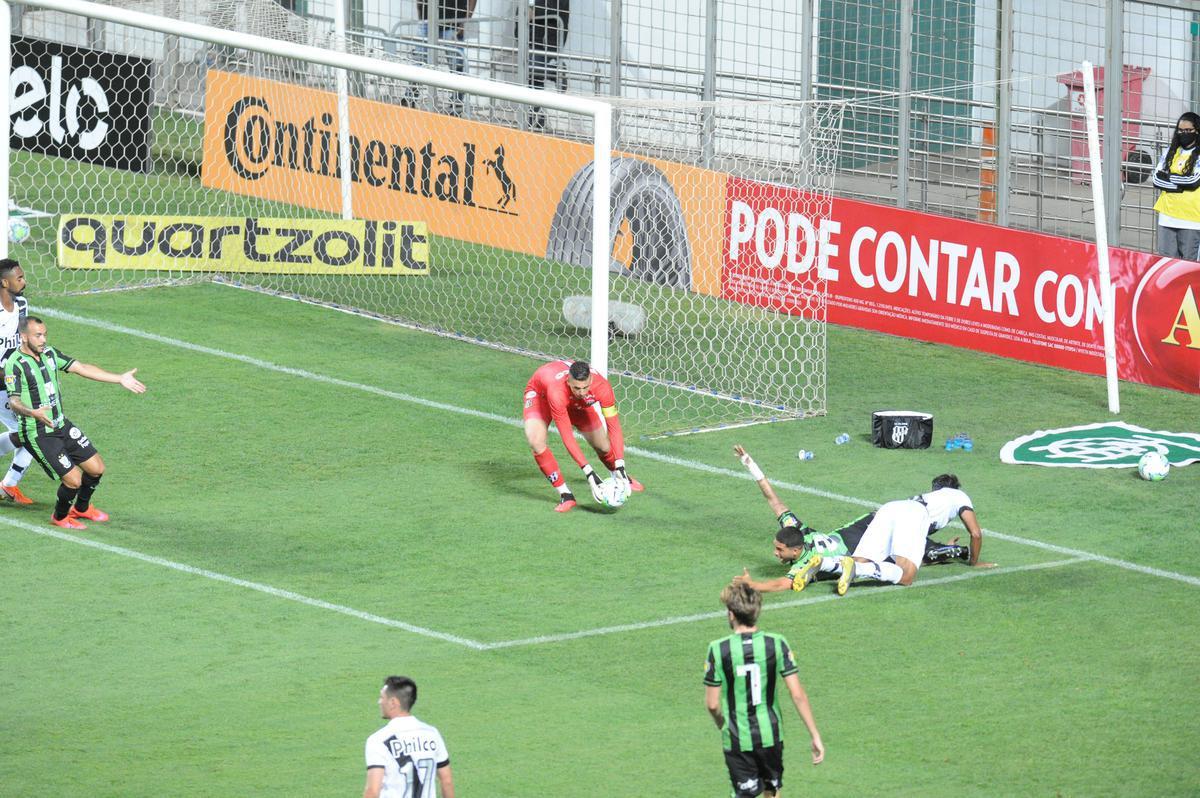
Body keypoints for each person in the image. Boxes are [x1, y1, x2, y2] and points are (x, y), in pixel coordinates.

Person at [731, 445, 973, 596]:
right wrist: (751, 465)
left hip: (858, 548)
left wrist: (752, 585)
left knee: (904, 568)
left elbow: (781, 585)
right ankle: (945, 549)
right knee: (913, 549)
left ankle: (946, 550)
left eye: (779, 550)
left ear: (796, 551)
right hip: (863, 524)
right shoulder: (797, 531)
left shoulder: (801, 556)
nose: (775, 553)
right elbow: (775, 501)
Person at [3, 316, 146, 529]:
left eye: (45, 334)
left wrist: (119, 378)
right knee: (73, 480)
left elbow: (82, 367)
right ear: (23, 337)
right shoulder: (15, 364)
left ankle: (81, 508)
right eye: (38, 335)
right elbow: (14, 401)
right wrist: (32, 412)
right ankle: (59, 517)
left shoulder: (50, 354)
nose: (43, 339)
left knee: (96, 469)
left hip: (60, 424)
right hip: (38, 431)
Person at [704, 581, 824, 798]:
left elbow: (712, 704)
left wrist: (724, 725)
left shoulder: (718, 649)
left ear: (731, 614)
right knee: (772, 790)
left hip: (737, 736)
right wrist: (814, 734)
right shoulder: (776, 643)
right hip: (771, 734)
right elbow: (797, 694)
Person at [523, 359, 643, 512]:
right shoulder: (557, 391)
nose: (581, 392)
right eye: (577, 387)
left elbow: (614, 426)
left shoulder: (602, 387)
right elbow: (567, 437)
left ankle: (620, 475)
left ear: (591, 380)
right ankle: (566, 495)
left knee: (603, 446)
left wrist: (620, 463)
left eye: (585, 387)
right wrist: (588, 471)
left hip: (574, 403)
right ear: (568, 381)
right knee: (536, 441)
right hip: (541, 396)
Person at [363, 676, 454, 798]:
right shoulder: (432, 734)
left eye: (382, 697)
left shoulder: (378, 740)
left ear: (393, 702)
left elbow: (373, 791)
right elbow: (446, 781)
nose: (379, 702)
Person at [0, 260, 37, 504]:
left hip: (12, 381)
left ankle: (8, 486)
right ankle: (8, 486)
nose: (24, 281)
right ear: (5, 282)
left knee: (29, 431)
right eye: (20, 278)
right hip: (3, 382)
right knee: (29, 431)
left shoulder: (22, 304)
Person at [1152, 112, 1200, 259]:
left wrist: (1169, 178)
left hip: (1192, 219)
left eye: (1188, 131)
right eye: (1180, 130)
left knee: (1187, 267)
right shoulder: (1170, 152)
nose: (1183, 134)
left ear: (1197, 131)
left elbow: (1194, 181)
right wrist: (1179, 185)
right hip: (1167, 216)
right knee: (1166, 264)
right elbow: (1156, 179)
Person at [517, 0, 570, 129]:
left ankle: (533, 118)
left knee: (534, 71)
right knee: (534, 79)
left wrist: (534, 11)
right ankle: (536, 118)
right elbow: (521, 9)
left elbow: (559, 8)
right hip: (529, 39)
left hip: (547, 41)